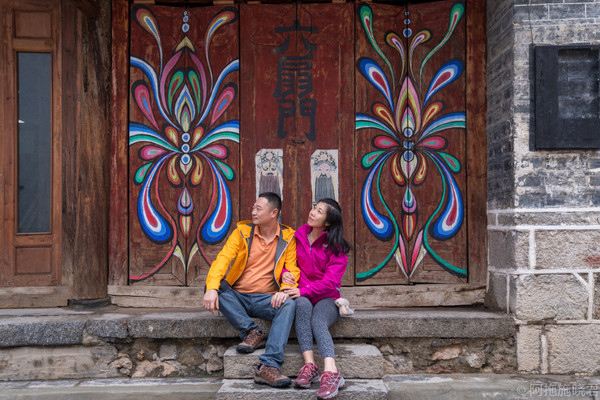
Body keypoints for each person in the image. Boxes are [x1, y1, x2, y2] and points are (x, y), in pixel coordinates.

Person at [203, 192, 300, 388]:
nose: (253, 212)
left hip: (266, 298)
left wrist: (285, 289)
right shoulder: (242, 233)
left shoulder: (288, 237)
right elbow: (222, 260)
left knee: (289, 304)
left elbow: (292, 269)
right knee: (213, 285)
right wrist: (211, 288)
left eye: (258, 208)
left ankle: (269, 365)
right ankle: (252, 331)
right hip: (237, 297)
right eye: (253, 207)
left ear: (274, 213)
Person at [282, 198, 351, 400]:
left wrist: (304, 290)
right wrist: (285, 274)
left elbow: (331, 282)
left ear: (327, 222)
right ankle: (310, 366)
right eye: (314, 208)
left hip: (327, 298)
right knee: (302, 306)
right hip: (302, 294)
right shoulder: (298, 236)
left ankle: (331, 371)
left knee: (318, 320)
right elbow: (288, 263)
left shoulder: (337, 246)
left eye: (319, 211)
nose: (312, 212)